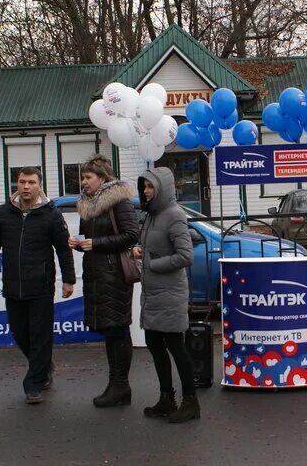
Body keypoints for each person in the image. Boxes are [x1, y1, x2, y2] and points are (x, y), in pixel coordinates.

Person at [0, 167, 76, 405]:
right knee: (20, 332)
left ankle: (34, 384)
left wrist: (69, 279)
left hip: (41, 286)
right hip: (13, 286)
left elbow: (63, 249)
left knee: (40, 336)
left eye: (31, 182)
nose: (26, 186)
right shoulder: (3, 213)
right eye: (22, 182)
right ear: (17, 184)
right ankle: (43, 366)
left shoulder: (51, 214)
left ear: (39, 185)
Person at [68, 154, 139, 407]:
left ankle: (120, 386)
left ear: (102, 178)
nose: (83, 182)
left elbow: (131, 234)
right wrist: (79, 245)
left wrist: (96, 244)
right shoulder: (87, 204)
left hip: (114, 275)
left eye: (88, 177)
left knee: (118, 328)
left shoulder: (119, 202)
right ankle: (116, 385)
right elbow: (90, 241)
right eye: (83, 177)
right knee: (110, 331)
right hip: (97, 275)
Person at [135, 167, 199, 422]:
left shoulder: (174, 215)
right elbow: (153, 247)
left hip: (170, 294)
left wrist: (152, 264)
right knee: (154, 344)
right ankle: (166, 398)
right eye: (144, 187)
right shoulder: (150, 215)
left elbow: (186, 256)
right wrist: (139, 251)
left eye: (150, 187)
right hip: (153, 294)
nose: (146, 191)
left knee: (176, 347)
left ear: (163, 188)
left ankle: (191, 402)